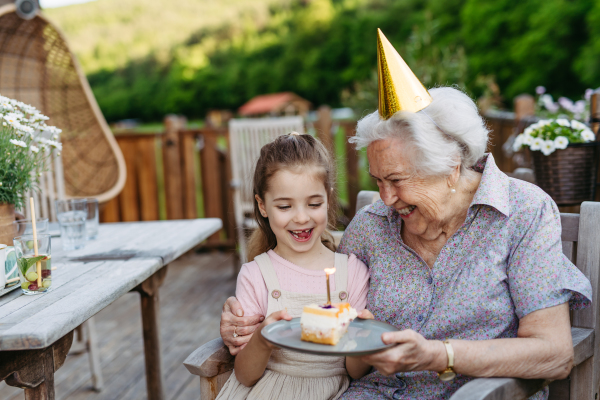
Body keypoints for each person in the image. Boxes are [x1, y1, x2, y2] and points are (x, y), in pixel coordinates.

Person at [218, 30, 592, 400]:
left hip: (480, 393)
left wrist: (439, 354)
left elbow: (554, 352)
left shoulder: (523, 212)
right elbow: (320, 277)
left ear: (451, 166)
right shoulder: (371, 226)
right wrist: (243, 323)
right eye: (378, 180)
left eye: (396, 180)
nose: (386, 198)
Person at [216, 132, 370, 400]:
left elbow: (355, 371)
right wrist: (262, 338)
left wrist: (363, 338)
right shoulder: (256, 275)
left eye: (314, 204)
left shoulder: (353, 272)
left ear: (329, 198)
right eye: (285, 206)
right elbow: (245, 375)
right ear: (263, 206)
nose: (301, 217)